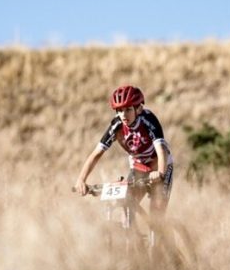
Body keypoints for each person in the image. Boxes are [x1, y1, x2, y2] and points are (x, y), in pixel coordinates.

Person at [74, 84, 174, 215]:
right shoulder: (117, 126)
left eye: (128, 110)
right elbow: (96, 153)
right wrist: (81, 179)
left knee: (157, 214)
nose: (123, 115)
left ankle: (160, 233)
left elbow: (161, 150)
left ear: (138, 109)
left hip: (159, 164)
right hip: (139, 167)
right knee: (127, 207)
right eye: (119, 110)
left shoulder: (148, 120)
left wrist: (160, 173)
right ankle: (133, 234)